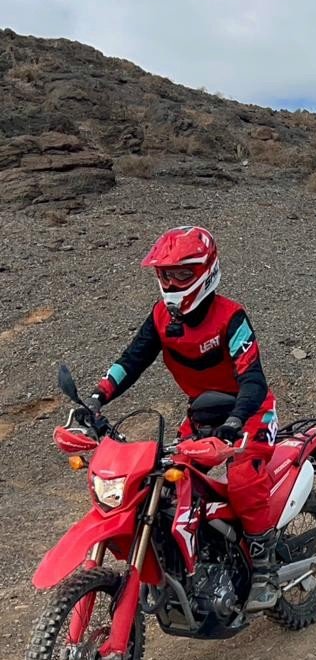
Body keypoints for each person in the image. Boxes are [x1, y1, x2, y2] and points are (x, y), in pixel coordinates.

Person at [91, 226, 282, 611]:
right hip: (202, 416)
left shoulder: (231, 317)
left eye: (182, 274)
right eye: (165, 274)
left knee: (243, 479)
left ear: (206, 272)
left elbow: (253, 379)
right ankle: (189, 561)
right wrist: (97, 397)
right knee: (164, 480)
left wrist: (236, 421)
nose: (172, 283)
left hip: (249, 414)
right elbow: (131, 360)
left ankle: (265, 568)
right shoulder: (161, 317)